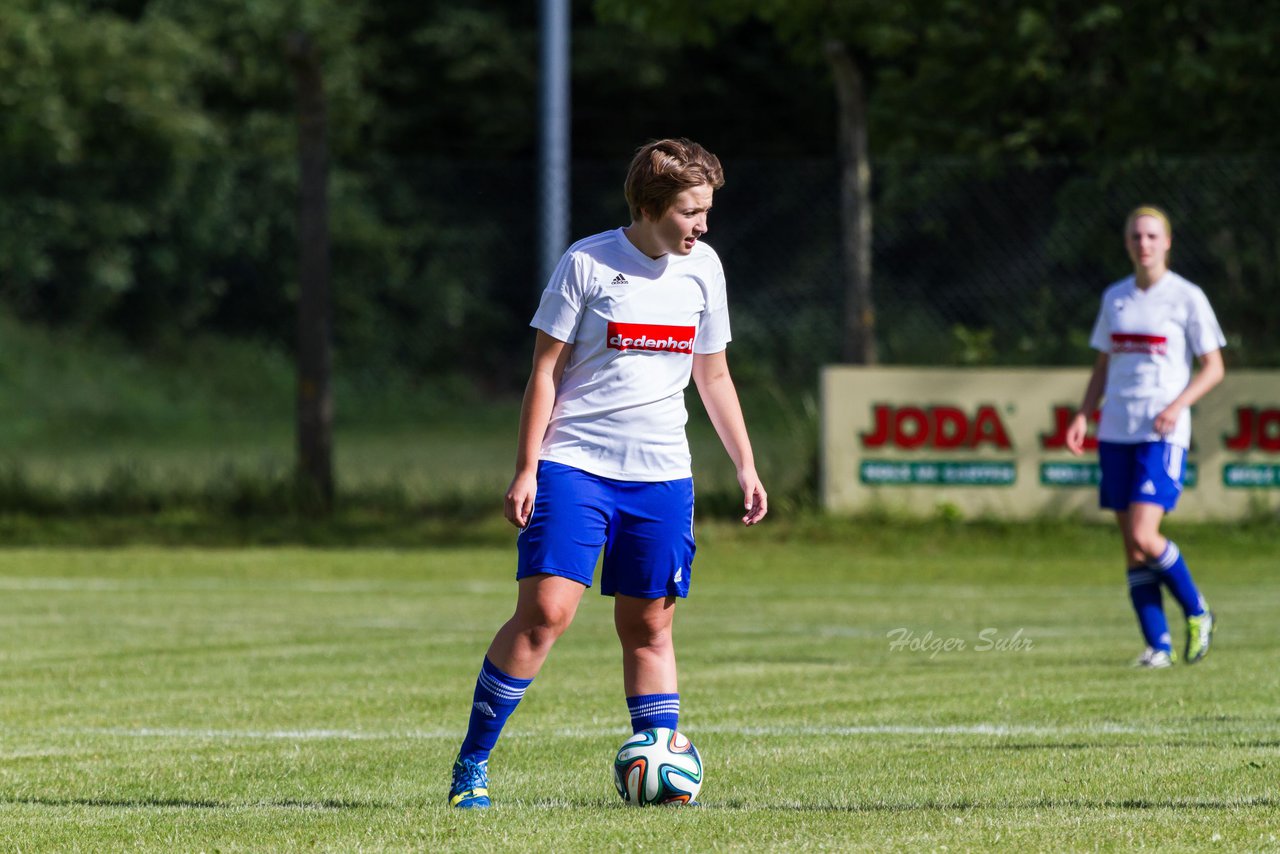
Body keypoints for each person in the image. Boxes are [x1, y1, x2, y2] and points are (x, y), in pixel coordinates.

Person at [448, 138, 768, 808]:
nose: (703, 224)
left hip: (662, 476)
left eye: (706, 210)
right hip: (576, 465)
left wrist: (746, 465)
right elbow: (545, 372)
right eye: (690, 211)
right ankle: (472, 766)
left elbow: (712, 375)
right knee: (545, 613)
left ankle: (662, 772)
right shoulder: (587, 263)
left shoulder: (703, 268)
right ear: (651, 207)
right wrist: (526, 467)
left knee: (649, 626)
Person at [1065, 205, 1225, 669]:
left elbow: (1214, 366)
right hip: (1116, 429)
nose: (1144, 244)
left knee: (1144, 532)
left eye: (1152, 236)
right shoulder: (1116, 297)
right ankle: (1159, 646)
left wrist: (1177, 405)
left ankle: (1198, 609)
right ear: (1127, 243)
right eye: (1136, 236)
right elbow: (1102, 365)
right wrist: (1083, 414)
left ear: (1167, 242)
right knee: (1131, 544)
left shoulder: (1186, 297)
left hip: (1162, 433)